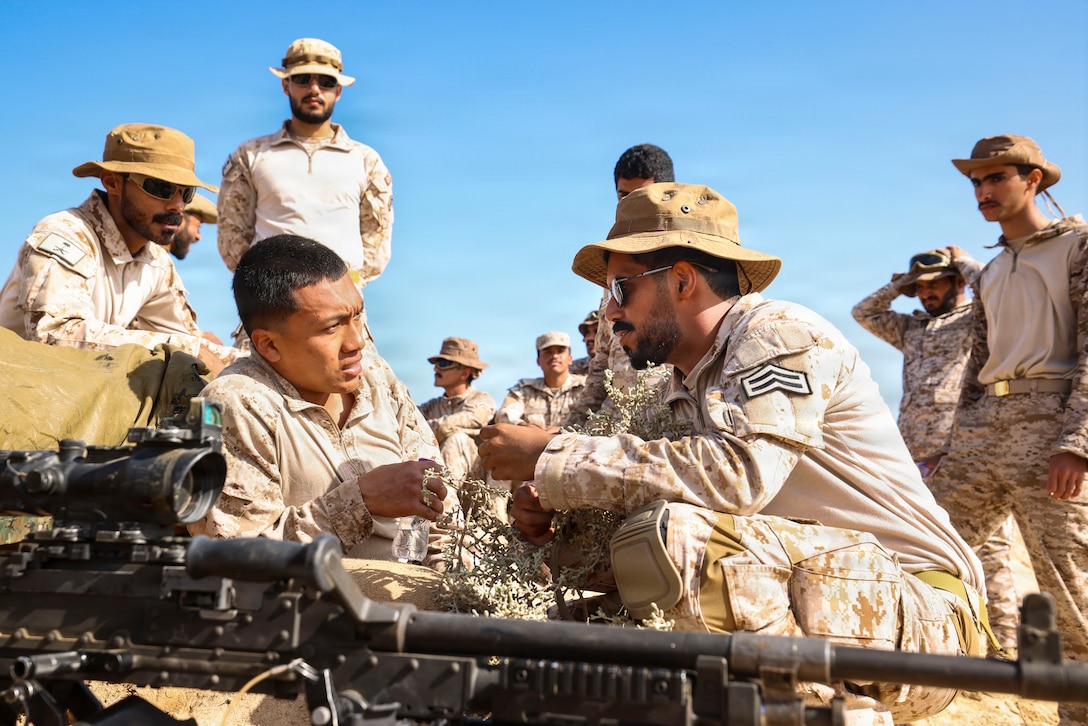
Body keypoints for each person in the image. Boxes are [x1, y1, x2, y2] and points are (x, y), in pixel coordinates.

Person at [479, 183, 985, 723]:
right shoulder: (686, 383)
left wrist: (555, 455)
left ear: (681, 280)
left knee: (678, 539)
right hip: (828, 602)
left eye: (619, 289)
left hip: (923, 620)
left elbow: (742, 476)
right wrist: (555, 526)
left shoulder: (778, 333)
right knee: (570, 632)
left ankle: (844, 714)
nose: (607, 313)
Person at [927, 135, 1088, 724]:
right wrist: (955, 445)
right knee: (925, 543)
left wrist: (1078, 442)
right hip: (982, 432)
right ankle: (925, 679)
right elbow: (976, 365)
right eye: (976, 182)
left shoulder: (1079, 246)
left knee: (1068, 585)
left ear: (1035, 180)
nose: (983, 191)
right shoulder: (993, 269)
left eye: (996, 178)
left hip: (1050, 427)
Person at [188, 235, 457, 567]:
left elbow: (444, 521)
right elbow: (235, 555)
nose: (356, 341)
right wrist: (361, 501)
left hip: (415, 597)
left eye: (357, 316)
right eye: (332, 327)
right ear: (269, 345)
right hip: (313, 608)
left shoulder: (376, 377)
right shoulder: (233, 405)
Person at [852, 247, 1021, 655]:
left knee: (990, 545)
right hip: (911, 453)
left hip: (961, 445)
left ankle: (1006, 646)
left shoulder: (975, 319)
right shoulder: (911, 328)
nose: (926, 292)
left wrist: (964, 262)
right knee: (919, 540)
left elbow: (996, 288)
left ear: (958, 284)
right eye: (920, 287)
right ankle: (941, 636)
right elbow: (864, 312)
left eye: (935, 284)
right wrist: (900, 285)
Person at [0, 124, 239, 376]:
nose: (178, 205)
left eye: (186, 192)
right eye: (162, 187)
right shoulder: (66, 233)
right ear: (112, 182)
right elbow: (55, 335)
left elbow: (195, 346)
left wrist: (263, 361)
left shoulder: (156, 261)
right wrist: (186, 348)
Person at [217, 38, 393, 293]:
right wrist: (266, 288)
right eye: (302, 79)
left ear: (338, 90)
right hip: (270, 304)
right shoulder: (250, 156)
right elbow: (232, 236)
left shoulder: (367, 161)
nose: (314, 89)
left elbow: (376, 239)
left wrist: (343, 287)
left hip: (342, 302)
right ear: (285, 85)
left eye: (326, 81)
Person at [565, 144, 674, 426]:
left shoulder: (689, 261)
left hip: (670, 420)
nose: (630, 206)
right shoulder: (616, 268)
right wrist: (572, 427)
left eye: (642, 196)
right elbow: (602, 359)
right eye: (624, 196)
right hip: (617, 423)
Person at [418, 337, 496, 480]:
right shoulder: (430, 408)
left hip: (475, 484)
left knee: (457, 439)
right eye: (436, 363)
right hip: (435, 474)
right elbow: (407, 424)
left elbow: (454, 424)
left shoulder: (482, 400)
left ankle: (445, 499)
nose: (436, 369)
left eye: (443, 363)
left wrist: (423, 431)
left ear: (465, 373)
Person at [495, 332, 586, 433]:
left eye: (560, 351)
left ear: (570, 359)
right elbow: (504, 415)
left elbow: (594, 418)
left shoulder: (585, 388)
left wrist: (563, 430)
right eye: (548, 352)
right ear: (538, 361)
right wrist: (523, 426)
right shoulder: (524, 390)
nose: (555, 356)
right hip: (532, 445)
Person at [167, 194, 218, 261]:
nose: (199, 237)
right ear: (179, 221)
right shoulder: (155, 264)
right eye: (198, 226)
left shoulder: (160, 263)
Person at [570, 310, 598, 375]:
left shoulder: (621, 364)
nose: (590, 338)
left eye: (597, 332)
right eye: (587, 333)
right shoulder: (573, 369)